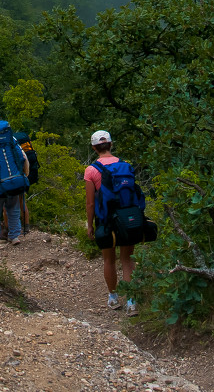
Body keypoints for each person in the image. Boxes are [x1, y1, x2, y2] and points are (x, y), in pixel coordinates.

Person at [85, 129, 137, 314]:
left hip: (106, 220)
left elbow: (91, 203)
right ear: (111, 144)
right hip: (128, 218)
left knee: (109, 260)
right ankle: (132, 302)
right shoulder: (125, 166)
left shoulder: (91, 170)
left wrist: (90, 225)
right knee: (127, 259)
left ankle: (113, 298)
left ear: (94, 147)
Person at [0, 116, 28, 248]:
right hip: (14, 179)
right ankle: (14, 236)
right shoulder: (11, 139)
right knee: (13, 209)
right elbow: (21, 157)